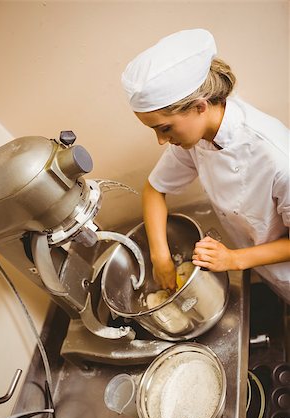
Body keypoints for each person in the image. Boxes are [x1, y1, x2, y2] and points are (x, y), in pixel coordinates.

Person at [121, 28, 290, 303]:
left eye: (165, 128)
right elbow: (154, 189)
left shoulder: (278, 158)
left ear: (199, 107)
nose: (161, 141)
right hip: (265, 267)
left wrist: (233, 259)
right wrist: (159, 255)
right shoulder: (201, 136)